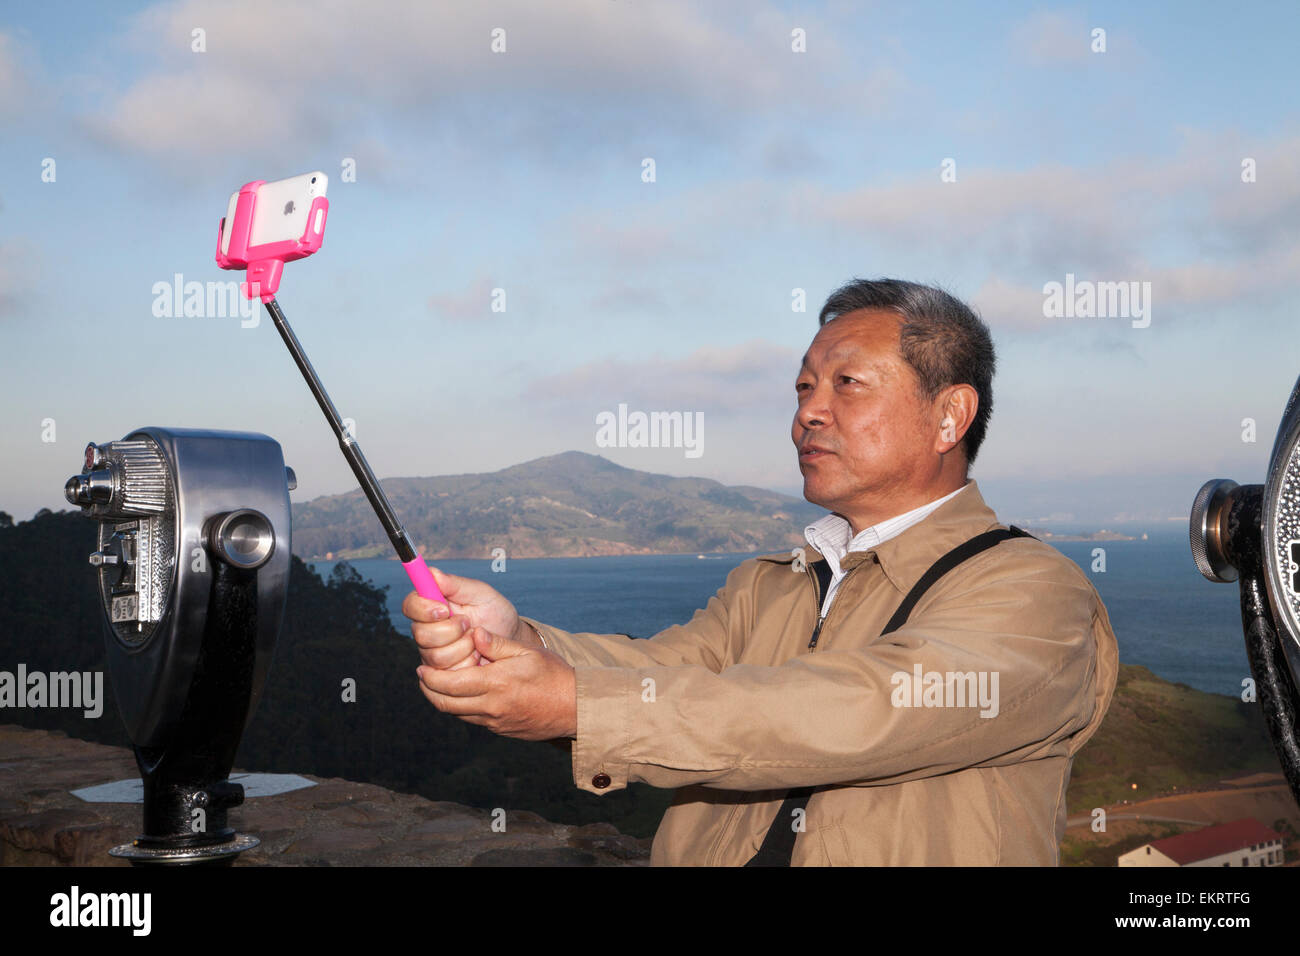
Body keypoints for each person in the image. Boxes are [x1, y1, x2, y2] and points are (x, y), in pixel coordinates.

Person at [404, 278, 1119, 866]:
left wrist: (577, 706)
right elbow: (662, 669)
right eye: (805, 388)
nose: (808, 412)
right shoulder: (771, 583)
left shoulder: (1033, 592)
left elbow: (855, 711)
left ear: (948, 416)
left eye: (848, 385)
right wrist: (520, 642)